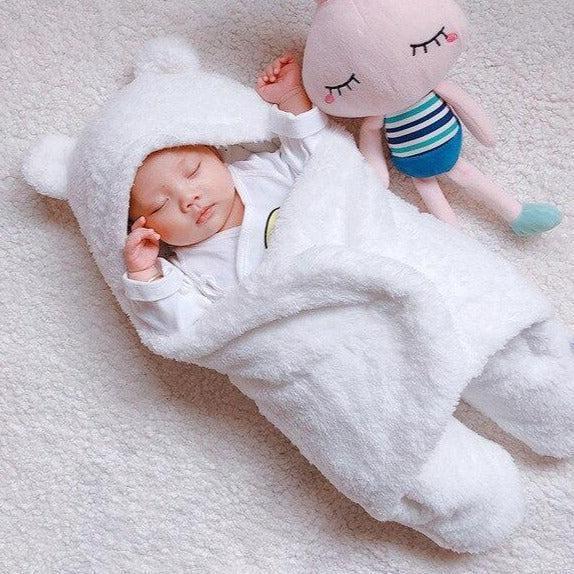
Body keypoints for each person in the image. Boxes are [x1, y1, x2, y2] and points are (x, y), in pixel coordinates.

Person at [122, 53, 329, 330]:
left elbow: (324, 163)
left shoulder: (262, 172)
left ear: (217, 155)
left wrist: (291, 98)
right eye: (160, 205)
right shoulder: (186, 269)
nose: (188, 199)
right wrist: (145, 274)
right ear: (144, 226)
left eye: (193, 170)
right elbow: (186, 330)